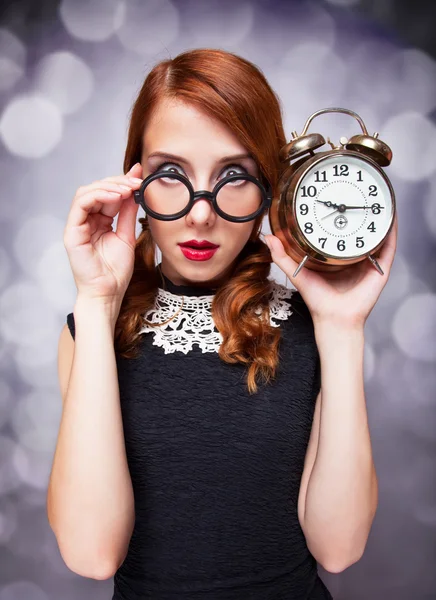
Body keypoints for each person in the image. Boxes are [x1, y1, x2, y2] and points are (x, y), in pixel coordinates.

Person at [47, 48, 397, 599]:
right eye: (170, 173)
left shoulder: (314, 324)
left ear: (271, 189)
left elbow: (339, 548)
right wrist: (95, 303)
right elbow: (92, 554)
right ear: (133, 182)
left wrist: (343, 328)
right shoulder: (92, 329)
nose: (201, 213)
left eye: (234, 175)